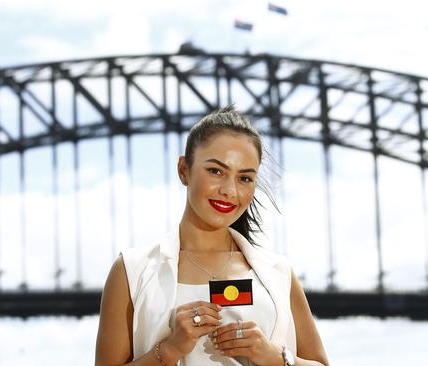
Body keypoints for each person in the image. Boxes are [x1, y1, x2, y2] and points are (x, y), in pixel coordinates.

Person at [95, 106, 329, 366]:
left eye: (245, 178)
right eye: (216, 171)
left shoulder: (279, 273)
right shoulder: (131, 270)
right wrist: (169, 350)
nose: (229, 190)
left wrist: (274, 356)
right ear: (184, 169)